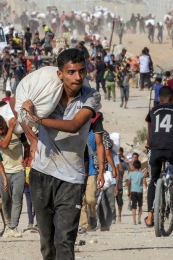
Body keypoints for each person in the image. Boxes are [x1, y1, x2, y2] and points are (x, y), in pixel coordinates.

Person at [17, 48, 101, 259]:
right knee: (47, 242)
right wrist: (32, 137)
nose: (77, 77)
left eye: (81, 71)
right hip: (41, 173)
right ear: (60, 74)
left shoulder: (91, 96)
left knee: (65, 239)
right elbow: (15, 103)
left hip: (71, 178)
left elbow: (74, 125)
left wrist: (38, 120)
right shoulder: (45, 95)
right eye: (71, 72)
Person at [144, 86, 173, 227]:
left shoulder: (153, 111)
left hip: (155, 149)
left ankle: (150, 216)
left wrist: (148, 143)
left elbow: (149, 128)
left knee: (153, 181)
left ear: (159, 98)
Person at [0, 114, 29, 238]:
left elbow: (26, 146)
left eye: (2, 127)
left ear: (5, 122)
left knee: (17, 198)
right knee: (6, 200)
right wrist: (10, 128)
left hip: (18, 170)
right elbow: (4, 145)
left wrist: (26, 157)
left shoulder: (18, 131)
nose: (1, 130)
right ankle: (7, 225)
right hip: (3, 172)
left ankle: (13, 226)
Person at [127, 160, 146, 225]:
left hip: (133, 191)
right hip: (140, 191)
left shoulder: (131, 174)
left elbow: (129, 183)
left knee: (134, 206)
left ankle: (134, 221)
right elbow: (144, 182)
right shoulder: (142, 174)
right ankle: (139, 219)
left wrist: (128, 191)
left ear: (134, 166)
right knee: (140, 205)